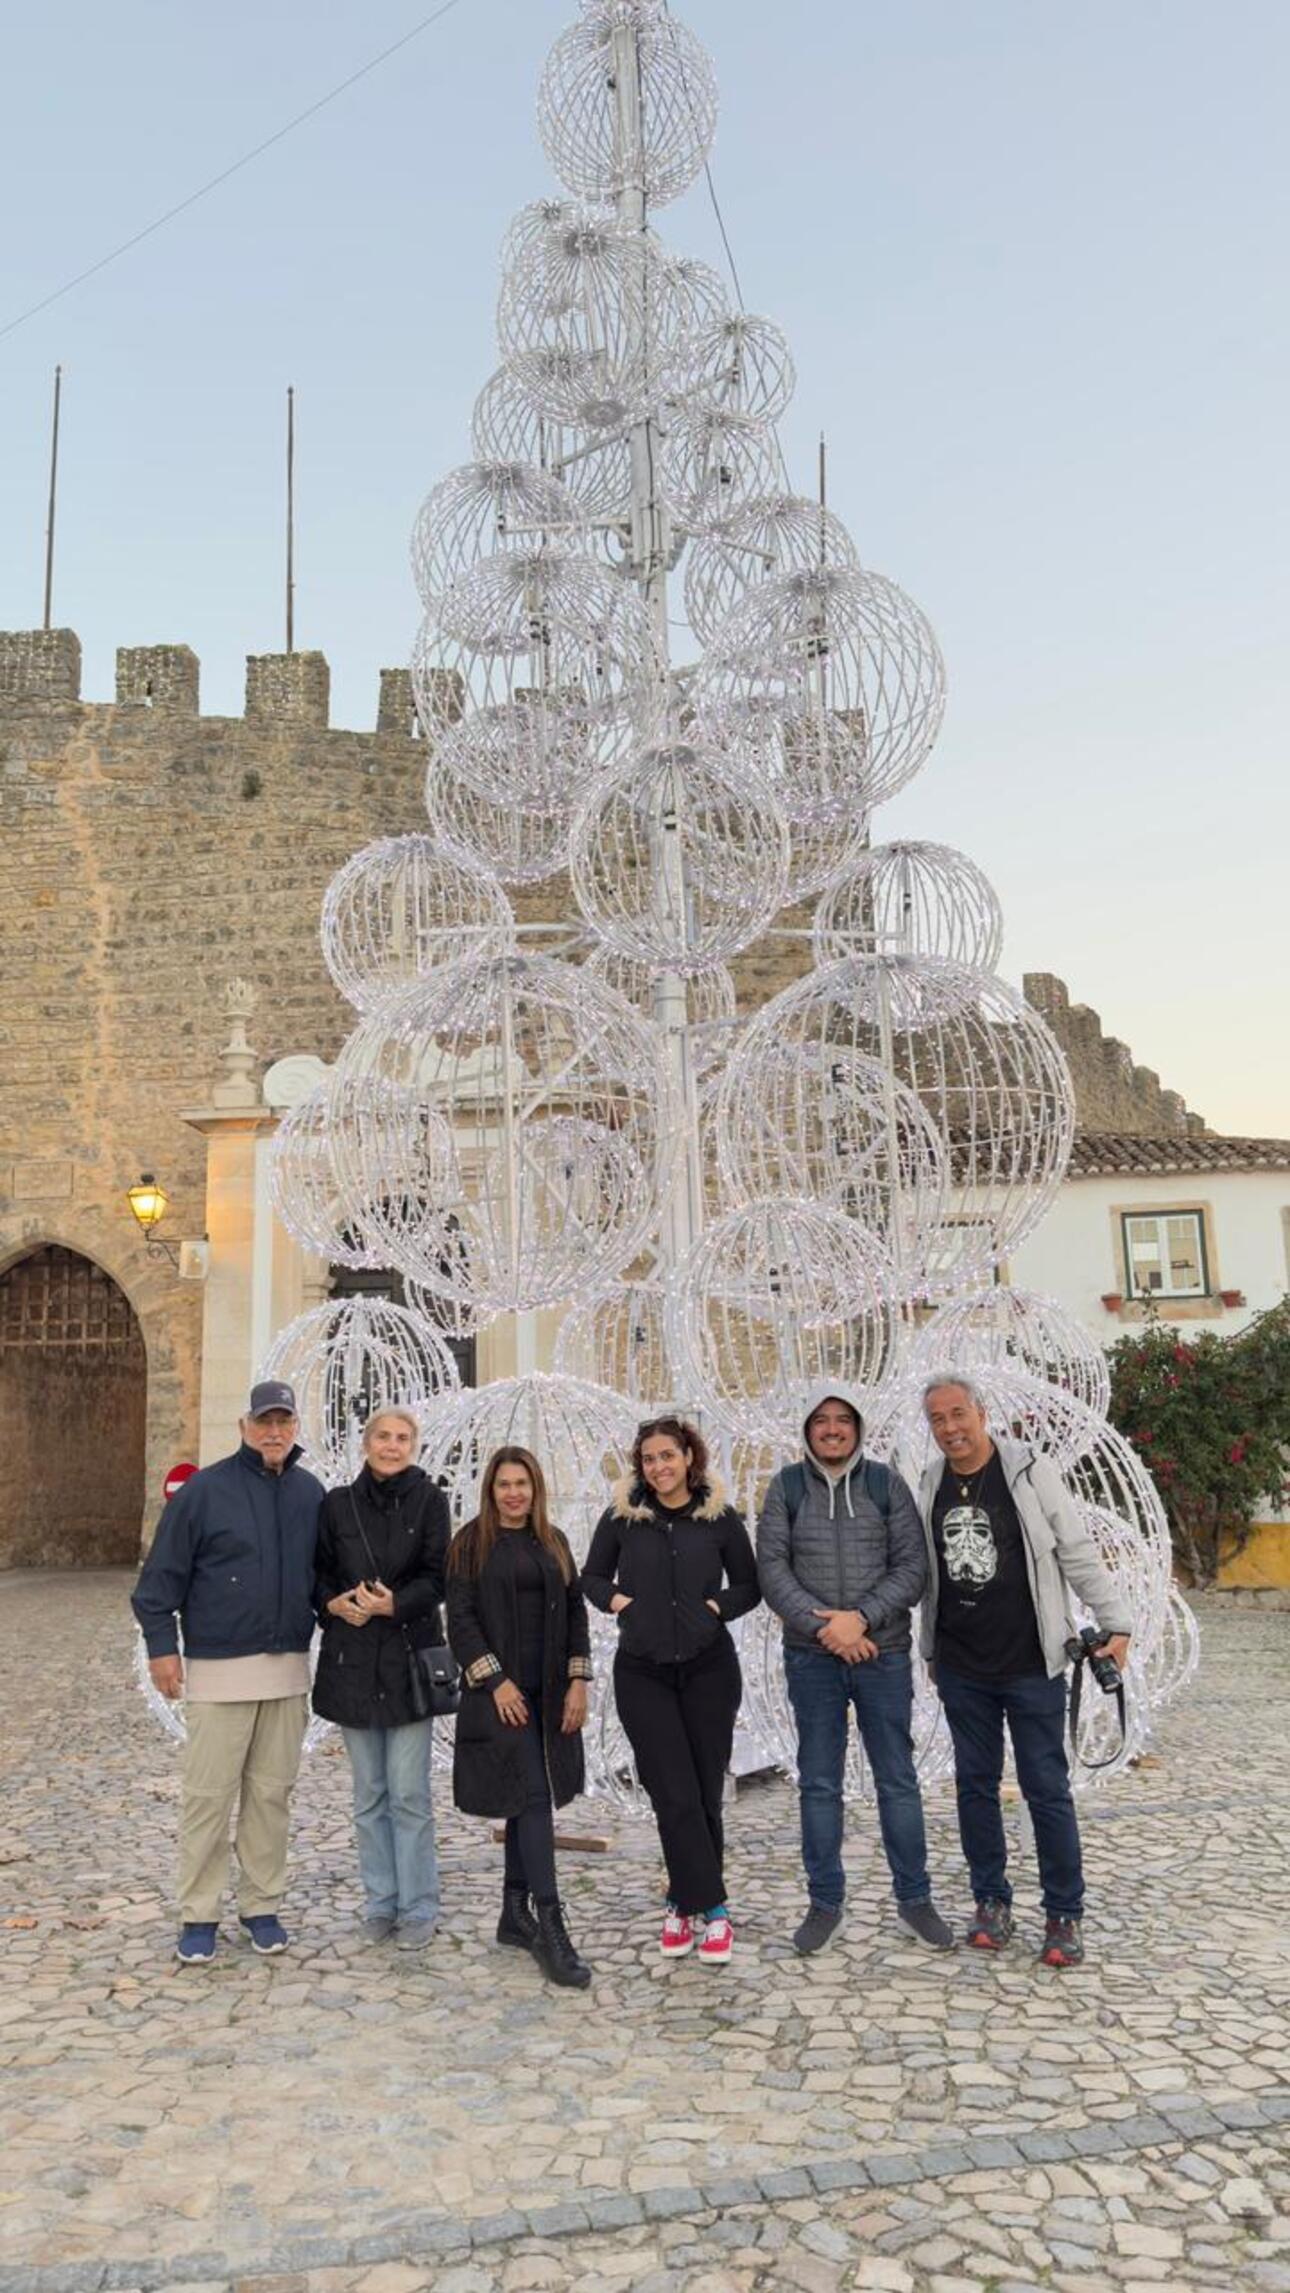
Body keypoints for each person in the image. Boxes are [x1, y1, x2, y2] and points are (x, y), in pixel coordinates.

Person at [918, 1375, 1132, 1969]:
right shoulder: (930, 1481)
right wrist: (929, 1646)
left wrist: (1117, 1620)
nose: (950, 1428)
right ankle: (991, 1902)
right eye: (938, 1419)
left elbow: (1075, 1550)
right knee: (974, 1789)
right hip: (962, 1666)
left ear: (982, 1414)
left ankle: (1064, 1912)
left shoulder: (1028, 1471)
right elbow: (929, 1570)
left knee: (1047, 1789)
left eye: (959, 1414)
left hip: (1032, 1663)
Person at [756, 1382, 953, 1956]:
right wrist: (828, 1630)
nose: (833, 1429)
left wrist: (861, 1620)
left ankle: (915, 1901)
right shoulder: (787, 1487)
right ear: (808, 1429)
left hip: (882, 1654)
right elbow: (773, 1568)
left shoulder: (885, 1484)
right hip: (812, 1658)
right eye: (822, 1420)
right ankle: (824, 1905)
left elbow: (912, 1566)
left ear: (859, 1427)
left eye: (843, 1419)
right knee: (819, 1784)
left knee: (897, 1781)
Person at [131, 1380, 323, 1964]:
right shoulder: (204, 1493)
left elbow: (326, 1577)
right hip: (218, 1670)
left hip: (287, 1671)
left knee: (271, 1797)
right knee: (209, 1799)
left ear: (294, 1428)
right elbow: (157, 1585)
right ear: (244, 1426)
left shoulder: (311, 1494)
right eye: (264, 1421)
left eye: (283, 1422)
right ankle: (199, 1913)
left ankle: (261, 1905)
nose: (273, 1432)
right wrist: (163, 1649)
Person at [582, 1415, 760, 1966]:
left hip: (709, 1669)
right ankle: (716, 1910)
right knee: (671, 1792)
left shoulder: (720, 1518)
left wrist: (715, 1609)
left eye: (668, 1455)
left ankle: (683, 1904)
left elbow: (751, 1585)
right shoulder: (622, 1519)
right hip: (644, 1670)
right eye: (649, 1458)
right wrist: (623, 1605)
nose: (659, 1467)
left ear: (689, 1457)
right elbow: (591, 1577)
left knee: (705, 1792)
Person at [445, 1446, 593, 1988]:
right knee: (532, 1796)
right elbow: (458, 1620)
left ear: (535, 1489)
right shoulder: (470, 1544)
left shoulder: (554, 1543)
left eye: (522, 1484)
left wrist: (579, 1679)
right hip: (500, 1697)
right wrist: (495, 1680)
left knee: (524, 1797)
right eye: (504, 1484)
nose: (513, 1493)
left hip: (550, 1693)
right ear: (491, 1490)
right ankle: (551, 1924)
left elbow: (576, 1610)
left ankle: (514, 1914)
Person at [311, 1407, 450, 1950]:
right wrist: (333, 1602)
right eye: (384, 1437)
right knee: (369, 1794)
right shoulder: (336, 1505)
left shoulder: (430, 1500)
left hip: (407, 1660)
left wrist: (396, 1604)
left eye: (403, 1438)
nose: (392, 1446)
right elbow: (318, 1572)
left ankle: (418, 1905)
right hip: (353, 1662)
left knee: (409, 1794)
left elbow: (438, 1575)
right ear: (366, 1444)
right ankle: (380, 1900)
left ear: (414, 1445)